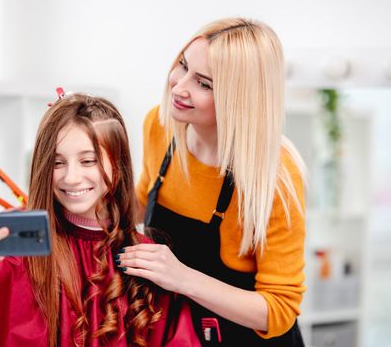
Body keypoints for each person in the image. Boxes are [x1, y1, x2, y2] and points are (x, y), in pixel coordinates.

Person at [0, 93, 200, 346]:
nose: (71, 177)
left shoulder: (147, 261)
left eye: (88, 161)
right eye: (57, 163)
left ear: (117, 165)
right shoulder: (16, 257)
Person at [115, 18, 307, 346]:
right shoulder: (160, 127)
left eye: (204, 83)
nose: (179, 87)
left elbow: (279, 310)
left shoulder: (275, 177)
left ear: (240, 98)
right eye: (183, 66)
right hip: (181, 333)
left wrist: (182, 278)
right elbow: (143, 201)